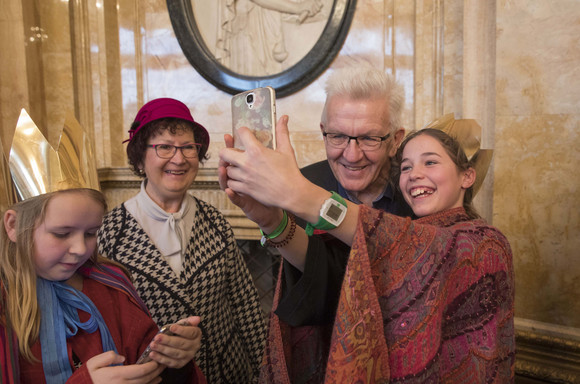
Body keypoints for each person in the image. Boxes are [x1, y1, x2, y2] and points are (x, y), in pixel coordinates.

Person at [219, 118, 516, 381]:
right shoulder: (400, 239)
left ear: (467, 176)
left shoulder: (484, 242)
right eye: (407, 166)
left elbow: (423, 248)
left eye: (430, 162)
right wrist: (271, 221)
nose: (413, 174)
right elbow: (332, 276)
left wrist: (299, 193)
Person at [223, 66, 413, 331]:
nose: (352, 155)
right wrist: (272, 222)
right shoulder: (305, 181)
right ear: (323, 130)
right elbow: (315, 284)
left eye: (369, 138)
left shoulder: (419, 191)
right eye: (337, 136)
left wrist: (299, 195)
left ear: (395, 141)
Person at [97, 98, 267, 383]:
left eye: (188, 147)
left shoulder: (216, 222)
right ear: (140, 156)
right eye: (164, 147)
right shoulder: (110, 234)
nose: (179, 158)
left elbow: (246, 306)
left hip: (226, 373)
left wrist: (265, 373)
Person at [0, 188, 205, 383]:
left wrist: (174, 359)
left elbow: (148, 362)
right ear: (13, 225)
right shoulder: (5, 305)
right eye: (62, 234)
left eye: (90, 233)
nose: (80, 249)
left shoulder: (110, 287)